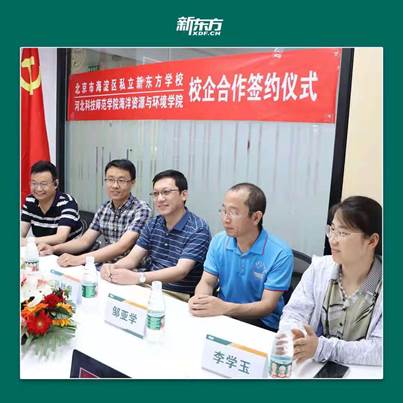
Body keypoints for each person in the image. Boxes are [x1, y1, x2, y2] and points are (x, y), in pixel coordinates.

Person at [279, 196, 382, 366]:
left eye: (343, 233)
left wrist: (322, 348)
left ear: (372, 241)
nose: (332, 240)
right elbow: (294, 313)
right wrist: (296, 337)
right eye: (332, 229)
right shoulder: (319, 268)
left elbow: (380, 349)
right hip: (314, 367)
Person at [188, 183, 293, 331]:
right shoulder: (219, 241)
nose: (226, 219)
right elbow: (207, 281)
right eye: (224, 211)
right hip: (224, 316)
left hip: (262, 324)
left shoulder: (280, 254)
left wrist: (225, 308)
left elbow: (267, 305)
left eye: (234, 213)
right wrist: (201, 301)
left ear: (256, 217)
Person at [100, 169, 211, 300]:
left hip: (179, 296)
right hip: (150, 288)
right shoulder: (153, 223)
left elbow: (181, 271)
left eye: (166, 192)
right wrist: (113, 267)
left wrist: (139, 277)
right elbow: (132, 259)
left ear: (184, 195)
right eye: (156, 194)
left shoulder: (198, 229)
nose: (160, 199)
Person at [38, 159, 151, 267]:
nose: (115, 185)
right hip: (104, 265)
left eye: (121, 181)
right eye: (110, 179)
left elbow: (122, 246)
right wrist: (54, 248)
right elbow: (84, 241)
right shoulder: (104, 209)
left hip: (132, 270)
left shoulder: (141, 209)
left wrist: (79, 259)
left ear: (132, 183)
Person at [21, 161, 82, 246]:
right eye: (34, 183)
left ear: (55, 184)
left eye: (43, 184)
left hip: (69, 252)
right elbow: (21, 233)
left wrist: (29, 241)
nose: (38, 189)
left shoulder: (68, 203)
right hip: (42, 251)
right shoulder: (30, 201)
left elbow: (60, 238)